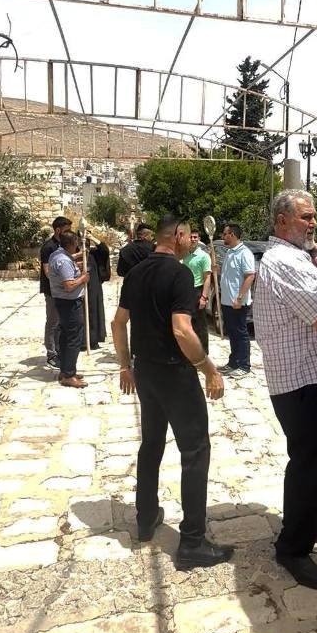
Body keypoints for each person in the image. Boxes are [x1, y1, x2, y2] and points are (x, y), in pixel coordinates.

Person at [111, 214, 234, 570]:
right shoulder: (179, 275)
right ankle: (193, 542)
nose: (191, 242)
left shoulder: (136, 273)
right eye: (188, 236)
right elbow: (182, 330)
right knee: (195, 451)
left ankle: (145, 518)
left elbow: (119, 323)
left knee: (151, 445)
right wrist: (209, 369)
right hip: (175, 375)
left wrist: (125, 366)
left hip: (145, 373)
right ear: (178, 235)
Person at [253, 190, 317, 591]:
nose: (313, 224)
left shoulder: (301, 258)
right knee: (309, 462)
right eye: (305, 217)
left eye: (313, 217)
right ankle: (292, 547)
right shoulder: (283, 262)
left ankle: (316, 518)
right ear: (281, 221)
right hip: (301, 379)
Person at [48, 230, 90, 389]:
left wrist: (76, 264)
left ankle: (65, 370)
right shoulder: (64, 261)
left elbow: (63, 267)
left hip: (62, 302)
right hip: (70, 303)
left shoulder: (57, 255)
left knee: (66, 336)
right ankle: (69, 375)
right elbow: (69, 286)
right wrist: (83, 278)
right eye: (77, 243)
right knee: (74, 338)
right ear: (72, 243)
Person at [218, 223, 255, 378]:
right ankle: (233, 362)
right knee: (232, 333)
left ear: (232, 234)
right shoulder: (229, 252)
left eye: (224, 234)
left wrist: (239, 297)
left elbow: (250, 276)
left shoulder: (244, 253)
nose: (223, 236)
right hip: (227, 301)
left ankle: (244, 365)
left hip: (238, 303)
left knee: (240, 333)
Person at [40, 215, 72, 368]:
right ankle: (51, 353)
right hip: (52, 291)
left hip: (64, 291)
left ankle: (60, 350)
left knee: (61, 322)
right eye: (67, 230)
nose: (69, 233)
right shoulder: (48, 247)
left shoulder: (64, 245)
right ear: (58, 230)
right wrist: (65, 280)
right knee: (53, 322)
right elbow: (48, 271)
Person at [182, 228, 212, 353]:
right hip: (185, 291)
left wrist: (204, 297)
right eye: (191, 237)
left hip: (197, 291)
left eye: (195, 237)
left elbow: (207, 277)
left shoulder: (204, 256)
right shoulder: (183, 255)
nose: (193, 239)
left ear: (199, 239)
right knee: (187, 322)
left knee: (200, 324)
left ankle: (203, 352)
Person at [80, 237, 111, 351]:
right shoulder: (74, 254)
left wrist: (92, 238)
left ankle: (93, 340)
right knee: (81, 314)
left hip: (93, 287)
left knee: (94, 312)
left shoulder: (94, 254)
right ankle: (82, 341)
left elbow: (105, 250)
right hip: (78, 288)